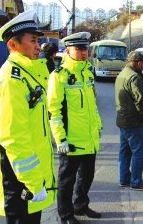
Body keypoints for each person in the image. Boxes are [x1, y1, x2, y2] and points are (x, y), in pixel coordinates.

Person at [0, 10, 56, 223]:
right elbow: (14, 138)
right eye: (33, 40)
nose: (38, 46)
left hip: (26, 177)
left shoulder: (26, 74)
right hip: (20, 179)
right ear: (13, 45)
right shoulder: (12, 81)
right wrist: (34, 183)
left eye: (38, 41)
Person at [47, 32, 102, 223]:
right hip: (71, 140)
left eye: (85, 48)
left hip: (90, 138)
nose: (83, 52)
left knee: (87, 177)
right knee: (66, 181)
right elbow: (54, 111)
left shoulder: (88, 72)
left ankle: (81, 205)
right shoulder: (59, 77)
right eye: (78, 49)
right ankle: (66, 214)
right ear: (68, 50)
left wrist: (98, 127)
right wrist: (60, 138)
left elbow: (92, 106)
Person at [115, 51, 143, 191]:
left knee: (124, 152)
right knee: (138, 151)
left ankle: (124, 179)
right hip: (134, 121)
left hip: (122, 120)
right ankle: (136, 182)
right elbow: (140, 100)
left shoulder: (122, 74)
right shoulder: (134, 77)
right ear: (138, 63)